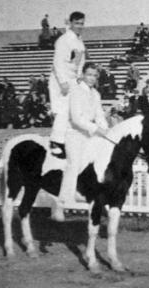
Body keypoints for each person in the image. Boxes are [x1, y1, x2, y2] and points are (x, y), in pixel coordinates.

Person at [56, 62, 108, 220]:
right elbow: (77, 119)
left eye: (95, 75)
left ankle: (92, 196)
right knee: (74, 165)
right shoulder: (76, 91)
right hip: (75, 134)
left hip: (91, 135)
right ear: (83, 75)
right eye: (89, 75)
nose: (92, 78)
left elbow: (100, 116)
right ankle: (60, 203)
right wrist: (96, 129)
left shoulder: (96, 94)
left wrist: (106, 129)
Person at [49, 11, 86, 158]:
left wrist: (79, 80)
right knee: (63, 109)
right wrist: (63, 82)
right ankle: (55, 142)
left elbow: (80, 64)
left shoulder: (79, 41)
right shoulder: (64, 40)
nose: (79, 26)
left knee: (74, 109)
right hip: (60, 79)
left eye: (82, 23)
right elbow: (58, 62)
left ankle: (67, 141)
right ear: (70, 23)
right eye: (76, 23)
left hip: (73, 79)